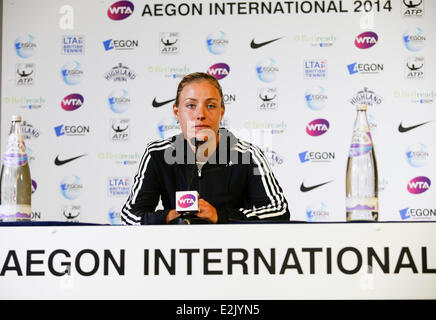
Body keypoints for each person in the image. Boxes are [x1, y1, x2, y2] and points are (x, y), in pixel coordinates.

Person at [121, 72, 290, 225]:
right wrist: (169, 217)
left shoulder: (247, 154)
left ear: (221, 112)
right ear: (176, 111)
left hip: (232, 253)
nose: (200, 114)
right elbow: (130, 215)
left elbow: (278, 211)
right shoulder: (157, 154)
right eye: (191, 105)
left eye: (210, 106)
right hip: (177, 253)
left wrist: (220, 216)